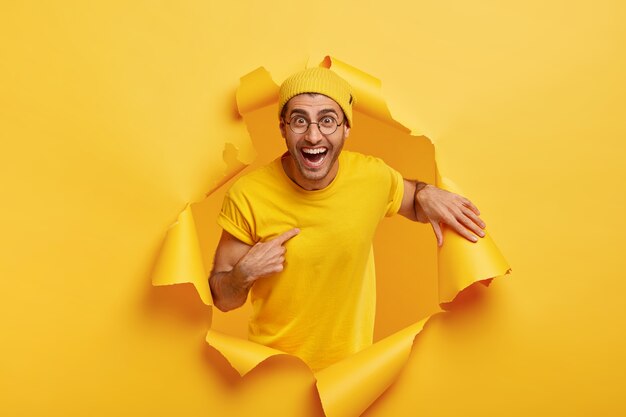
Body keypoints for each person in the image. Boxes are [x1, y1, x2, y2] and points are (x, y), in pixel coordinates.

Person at [209, 67, 485, 371]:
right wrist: (244, 273)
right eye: (300, 121)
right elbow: (224, 299)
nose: (313, 135)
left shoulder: (372, 177)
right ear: (283, 128)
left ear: (346, 128)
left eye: (327, 120)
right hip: (272, 374)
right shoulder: (248, 195)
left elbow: (411, 198)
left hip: (350, 378)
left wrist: (425, 192)